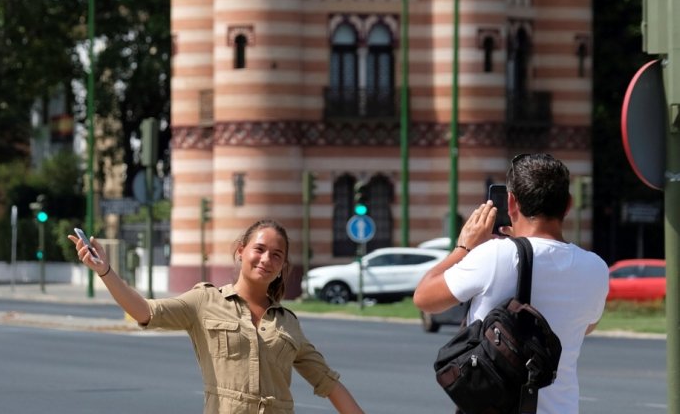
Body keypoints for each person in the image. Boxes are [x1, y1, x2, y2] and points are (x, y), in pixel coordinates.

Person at [69, 219, 367, 414]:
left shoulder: (287, 322)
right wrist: (105, 272)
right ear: (241, 251)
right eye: (259, 249)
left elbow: (329, 384)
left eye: (276, 255)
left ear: (282, 265)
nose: (266, 259)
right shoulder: (205, 301)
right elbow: (145, 311)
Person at [413, 153, 609, 414]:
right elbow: (586, 326)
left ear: (511, 203)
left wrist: (464, 247)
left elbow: (425, 298)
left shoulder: (495, 255)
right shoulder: (595, 267)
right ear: (568, 205)